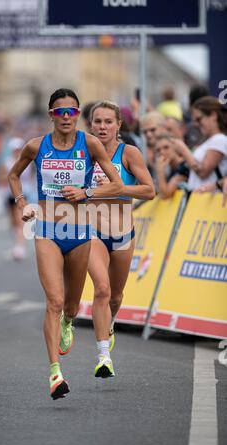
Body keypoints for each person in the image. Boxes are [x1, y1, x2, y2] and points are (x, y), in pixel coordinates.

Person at [8, 89, 123, 400]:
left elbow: (116, 184)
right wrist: (22, 203)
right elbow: (13, 175)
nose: (68, 117)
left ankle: (69, 322)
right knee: (54, 302)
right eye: (61, 112)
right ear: (51, 115)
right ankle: (55, 373)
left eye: (73, 112)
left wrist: (86, 194)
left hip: (80, 231)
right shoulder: (36, 146)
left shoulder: (90, 144)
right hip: (46, 229)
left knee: (70, 306)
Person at [88, 101, 155, 377]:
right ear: (90, 124)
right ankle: (104, 356)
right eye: (97, 122)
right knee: (101, 289)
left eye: (108, 122)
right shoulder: (84, 153)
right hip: (92, 232)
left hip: (123, 234)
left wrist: (116, 188)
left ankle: (110, 324)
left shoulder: (129, 153)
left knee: (115, 296)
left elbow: (150, 190)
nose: (102, 127)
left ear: (118, 125)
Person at [171, 97, 227, 192]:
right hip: (200, 201)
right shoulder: (210, 141)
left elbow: (203, 172)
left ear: (213, 115)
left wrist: (184, 151)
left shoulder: (219, 139)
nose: (196, 124)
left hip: (210, 201)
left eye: (199, 119)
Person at [0, 137, 32, 260]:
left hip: (23, 194)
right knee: (13, 221)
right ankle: (18, 238)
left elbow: (31, 177)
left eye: (19, 149)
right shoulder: (6, 162)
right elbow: (0, 178)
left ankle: (20, 247)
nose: (17, 151)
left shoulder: (27, 162)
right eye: (15, 149)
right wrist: (7, 179)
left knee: (19, 220)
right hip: (9, 194)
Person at [155, 133, 189, 199]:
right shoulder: (171, 169)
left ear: (174, 147)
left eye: (166, 147)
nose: (162, 152)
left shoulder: (184, 166)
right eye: (158, 150)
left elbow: (165, 195)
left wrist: (160, 172)